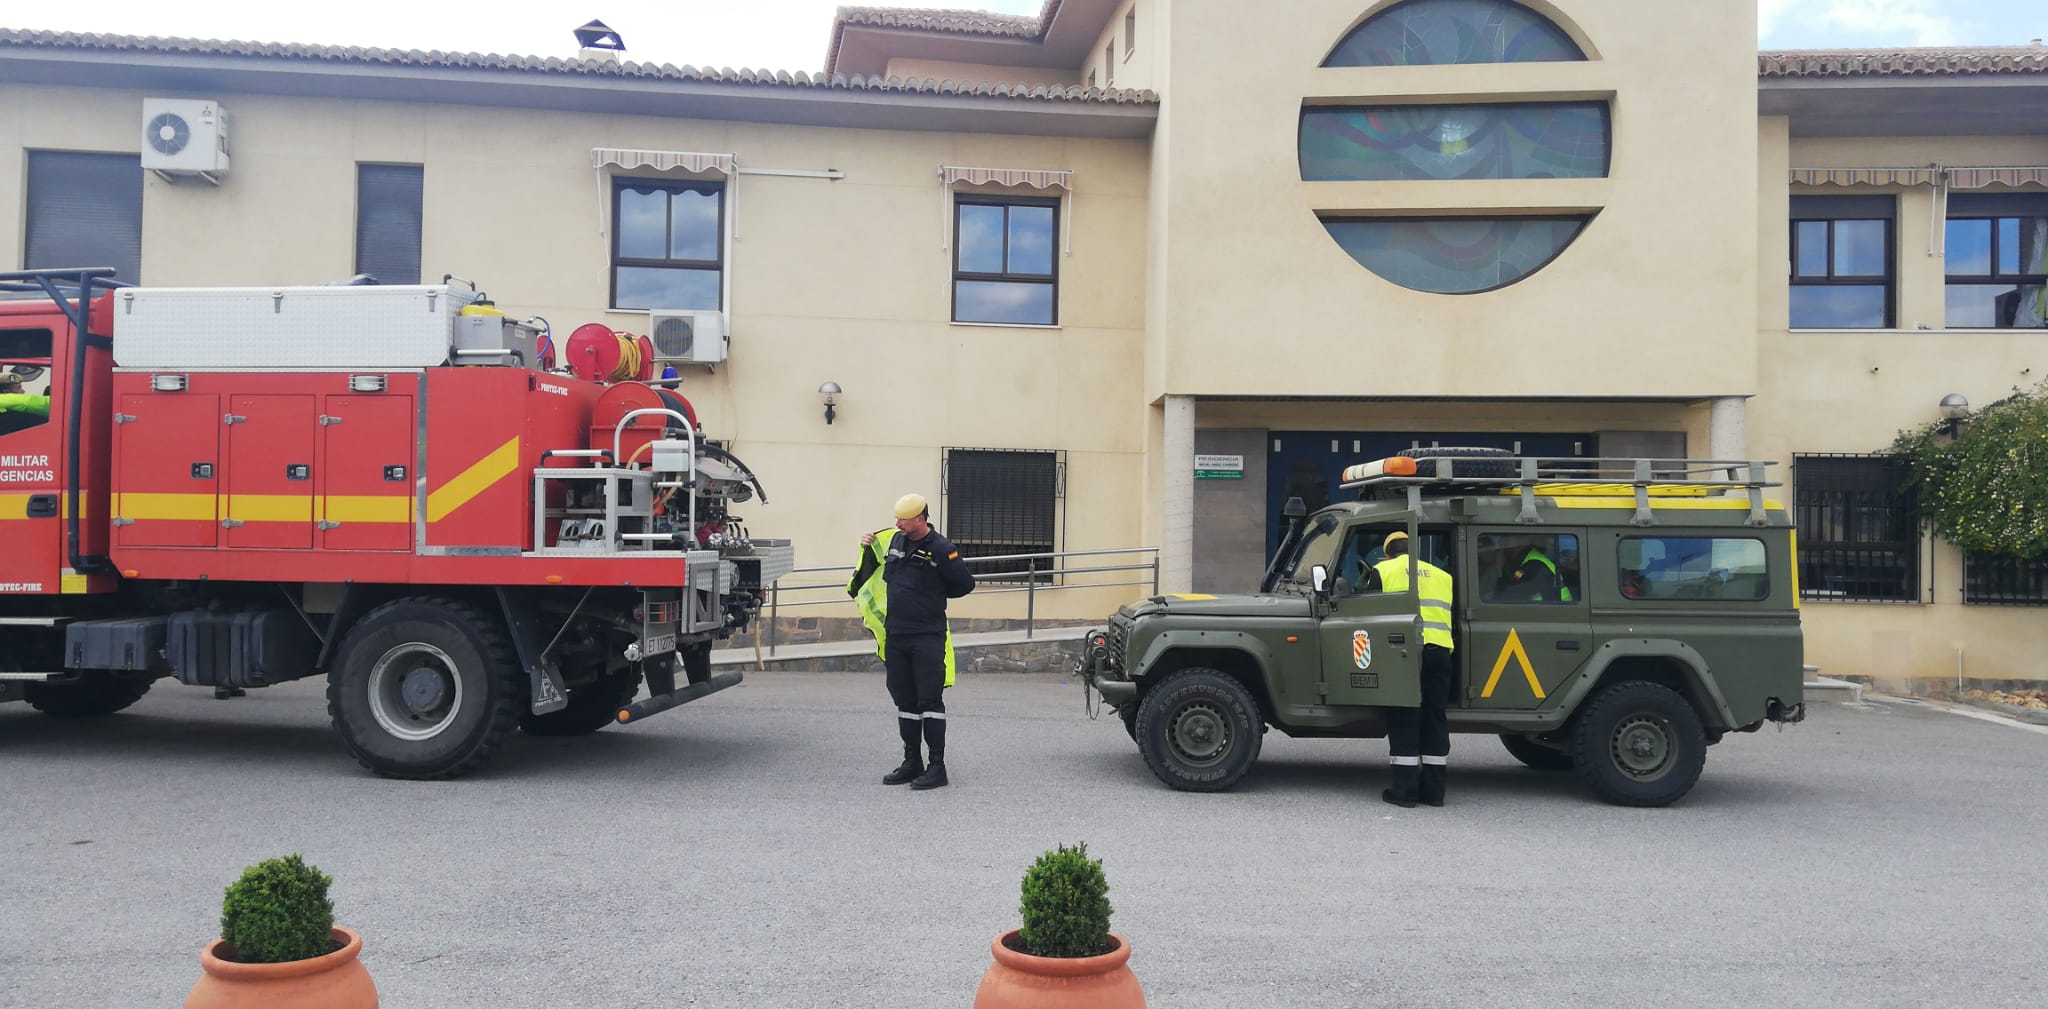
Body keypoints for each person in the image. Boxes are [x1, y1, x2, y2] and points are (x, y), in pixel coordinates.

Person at [847, 492, 975, 790]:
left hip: (927, 636)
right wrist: (866, 543)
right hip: (897, 635)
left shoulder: (942, 549)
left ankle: (937, 767)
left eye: (903, 519)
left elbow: (964, 584)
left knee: (929, 701)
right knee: (904, 699)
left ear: (920, 518)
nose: (897, 523)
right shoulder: (895, 541)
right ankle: (911, 761)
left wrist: (931, 596)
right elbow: (873, 562)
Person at [1370, 531, 1455, 808]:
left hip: (1405, 653)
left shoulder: (1383, 571)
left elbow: (1365, 611)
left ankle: (1404, 792)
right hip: (1440, 651)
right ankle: (1434, 792)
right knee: (1434, 718)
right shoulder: (1442, 575)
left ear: (1387, 553)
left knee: (1405, 716)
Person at [1497, 535, 1570, 603]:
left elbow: (1510, 598)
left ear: (1520, 541)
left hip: (1556, 613)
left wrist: (1498, 569)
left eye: (1507, 536)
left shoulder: (1535, 565)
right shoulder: (1522, 559)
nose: (1501, 541)